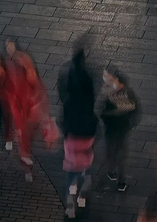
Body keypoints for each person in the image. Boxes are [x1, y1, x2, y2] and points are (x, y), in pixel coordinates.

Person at [0, 40, 57, 180]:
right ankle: (27, 166)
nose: (10, 49)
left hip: (27, 104)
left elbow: (32, 80)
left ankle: (26, 160)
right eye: (7, 46)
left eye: (11, 45)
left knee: (26, 135)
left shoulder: (22, 60)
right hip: (21, 105)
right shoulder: (11, 62)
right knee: (24, 137)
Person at [58, 43, 97, 218]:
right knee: (86, 171)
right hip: (87, 136)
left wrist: (65, 133)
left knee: (71, 173)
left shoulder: (69, 103)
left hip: (72, 138)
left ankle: (70, 205)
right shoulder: (88, 83)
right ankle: (82, 196)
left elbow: (63, 120)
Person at [99, 67, 140, 193]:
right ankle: (116, 177)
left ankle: (117, 177)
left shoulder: (113, 94)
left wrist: (108, 115)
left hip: (116, 129)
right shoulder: (128, 92)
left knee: (116, 153)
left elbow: (104, 112)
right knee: (117, 153)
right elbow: (136, 111)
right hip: (120, 129)